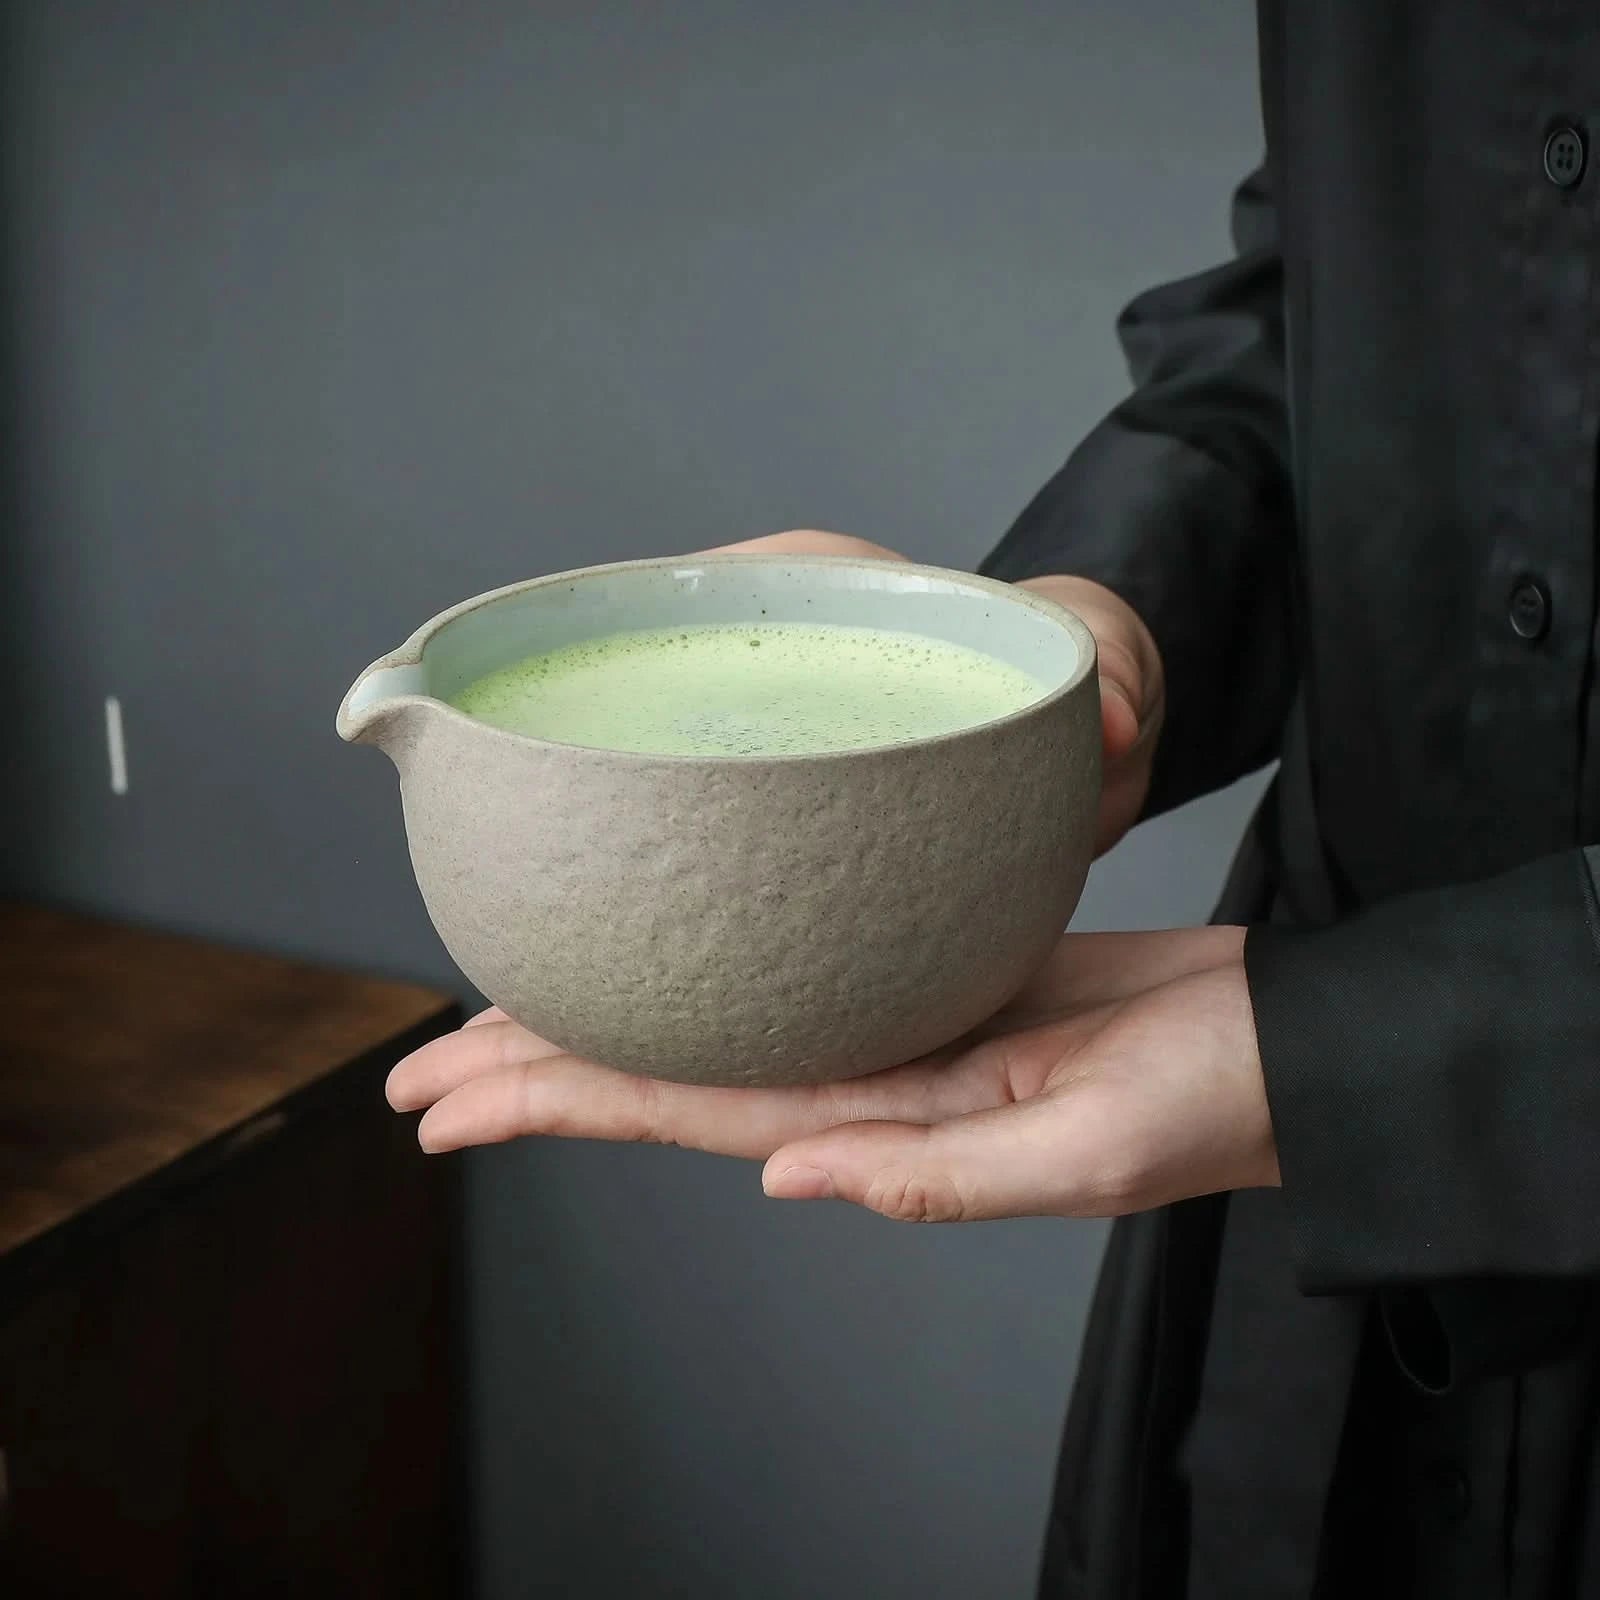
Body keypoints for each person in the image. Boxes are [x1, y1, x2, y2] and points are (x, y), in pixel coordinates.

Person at [386, 6, 1600, 1595]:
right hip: (1310, 1280)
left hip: (1294, 1079)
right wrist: (1091, 624)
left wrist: (1388, 1060)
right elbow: (1320, 311)